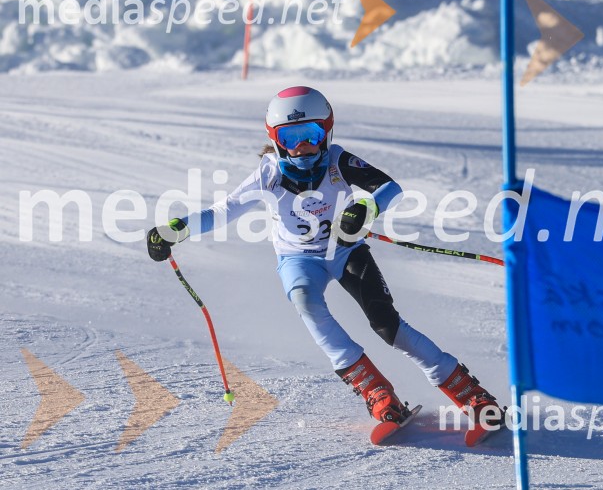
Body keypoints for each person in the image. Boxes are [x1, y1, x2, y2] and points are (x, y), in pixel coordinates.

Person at [146, 86, 501, 428]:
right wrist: (176, 230)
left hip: (346, 251)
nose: (302, 148)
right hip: (299, 260)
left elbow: (389, 187)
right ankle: (377, 392)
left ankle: (470, 395)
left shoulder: (337, 159)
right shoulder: (267, 175)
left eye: (311, 135)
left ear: (327, 133)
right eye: (290, 138)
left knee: (386, 324)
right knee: (307, 302)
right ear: (275, 140)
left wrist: (366, 207)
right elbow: (222, 211)